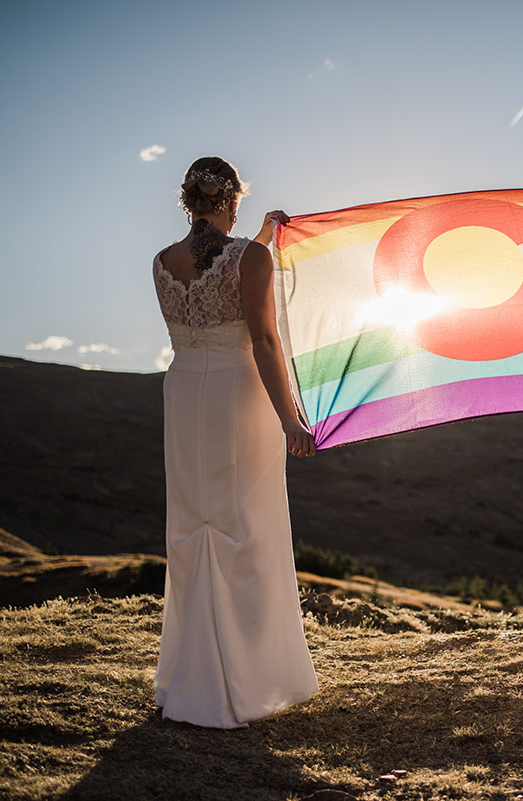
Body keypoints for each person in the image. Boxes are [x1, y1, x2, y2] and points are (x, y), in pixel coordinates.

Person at [151, 156, 318, 728]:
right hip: (240, 395)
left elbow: (209, 293)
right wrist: (292, 419)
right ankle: (244, 679)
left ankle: (189, 674)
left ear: (187, 201)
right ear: (232, 200)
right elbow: (263, 338)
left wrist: (263, 241)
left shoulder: (160, 263)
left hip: (184, 393)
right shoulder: (251, 257)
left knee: (196, 523)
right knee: (245, 525)